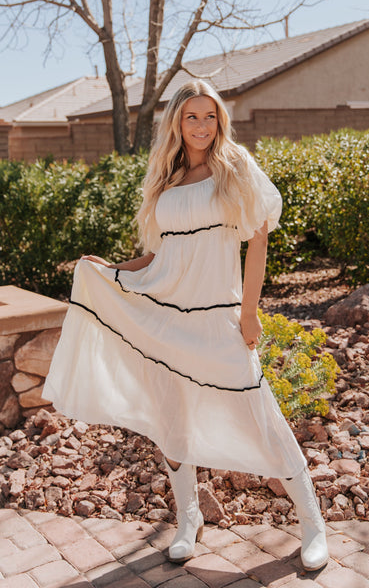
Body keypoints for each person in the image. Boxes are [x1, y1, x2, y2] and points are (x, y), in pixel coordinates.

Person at [43, 79, 328, 571]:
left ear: (220, 120)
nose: (201, 125)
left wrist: (249, 312)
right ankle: (188, 519)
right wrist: (110, 270)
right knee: (171, 418)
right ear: (177, 121)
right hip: (167, 316)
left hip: (218, 315)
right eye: (191, 116)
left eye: (210, 116)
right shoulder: (165, 180)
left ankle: (313, 524)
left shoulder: (236, 168)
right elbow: (159, 257)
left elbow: (257, 243)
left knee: (259, 416)